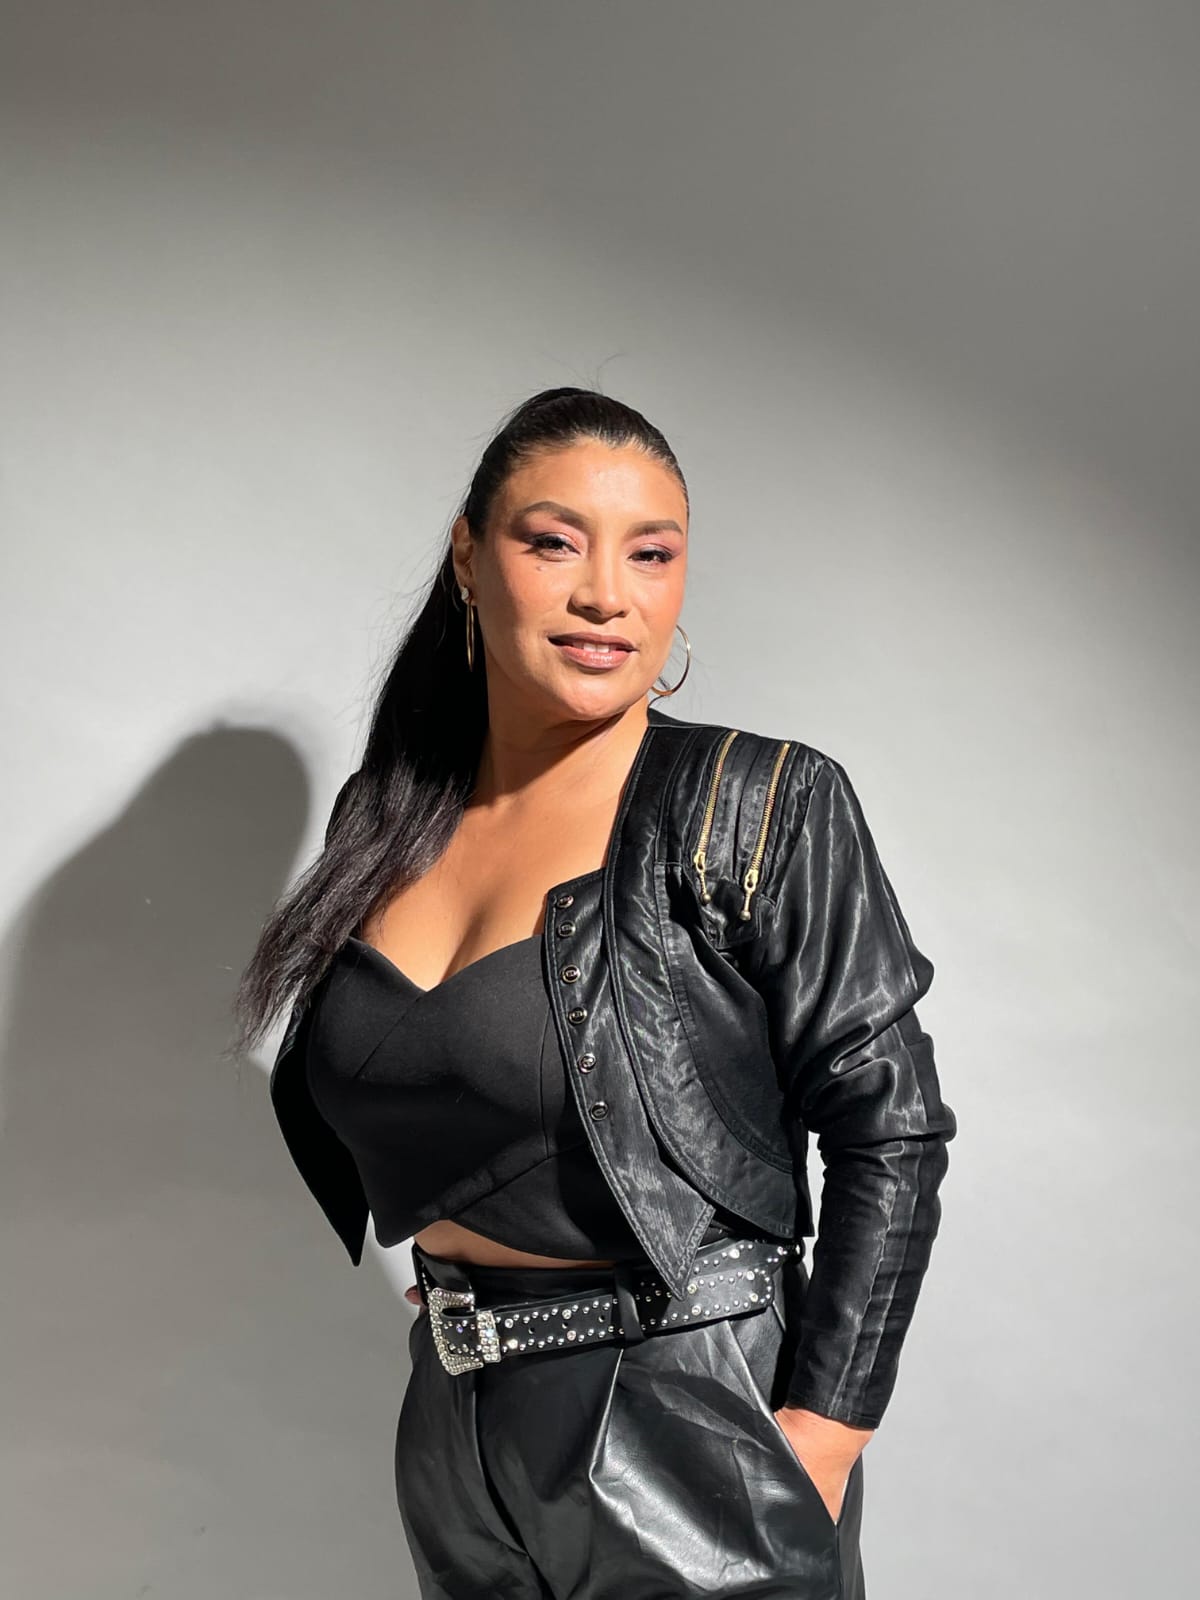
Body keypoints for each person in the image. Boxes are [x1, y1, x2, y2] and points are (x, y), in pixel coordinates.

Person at [231, 386, 957, 1599]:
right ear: (470, 557)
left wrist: (821, 1438)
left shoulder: (759, 804)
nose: (606, 595)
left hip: (690, 1418)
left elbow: (895, 1130)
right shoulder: (388, 816)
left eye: (651, 554)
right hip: (458, 1435)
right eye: (554, 542)